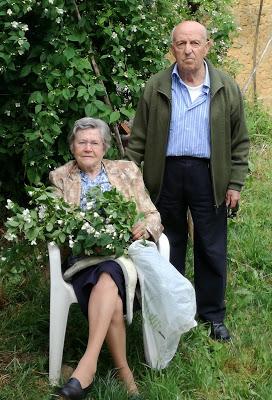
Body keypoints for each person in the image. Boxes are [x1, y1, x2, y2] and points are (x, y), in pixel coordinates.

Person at [125, 21, 250, 341]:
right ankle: (172, 310)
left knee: (211, 245)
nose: (188, 50)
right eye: (181, 44)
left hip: (210, 175)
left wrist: (234, 183)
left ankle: (212, 316)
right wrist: (130, 184)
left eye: (195, 43)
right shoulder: (156, 86)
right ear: (173, 49)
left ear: (207, 46)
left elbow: (239, 142)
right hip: (165, 173)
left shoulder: (226, 87)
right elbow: (137, 140)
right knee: (168, 243)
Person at [49, 117, 163, 400]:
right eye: (82, 142)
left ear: (104, 147)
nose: (88, 148)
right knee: (109, 286)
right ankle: (123, 371)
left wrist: (145, 228)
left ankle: (85, 369)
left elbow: (153, 214)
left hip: (124, 255)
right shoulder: (60, 177)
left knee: (111, 272)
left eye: (94, 142)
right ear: (73, 146)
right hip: (83, 260)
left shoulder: (126, 171)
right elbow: (53, 224)